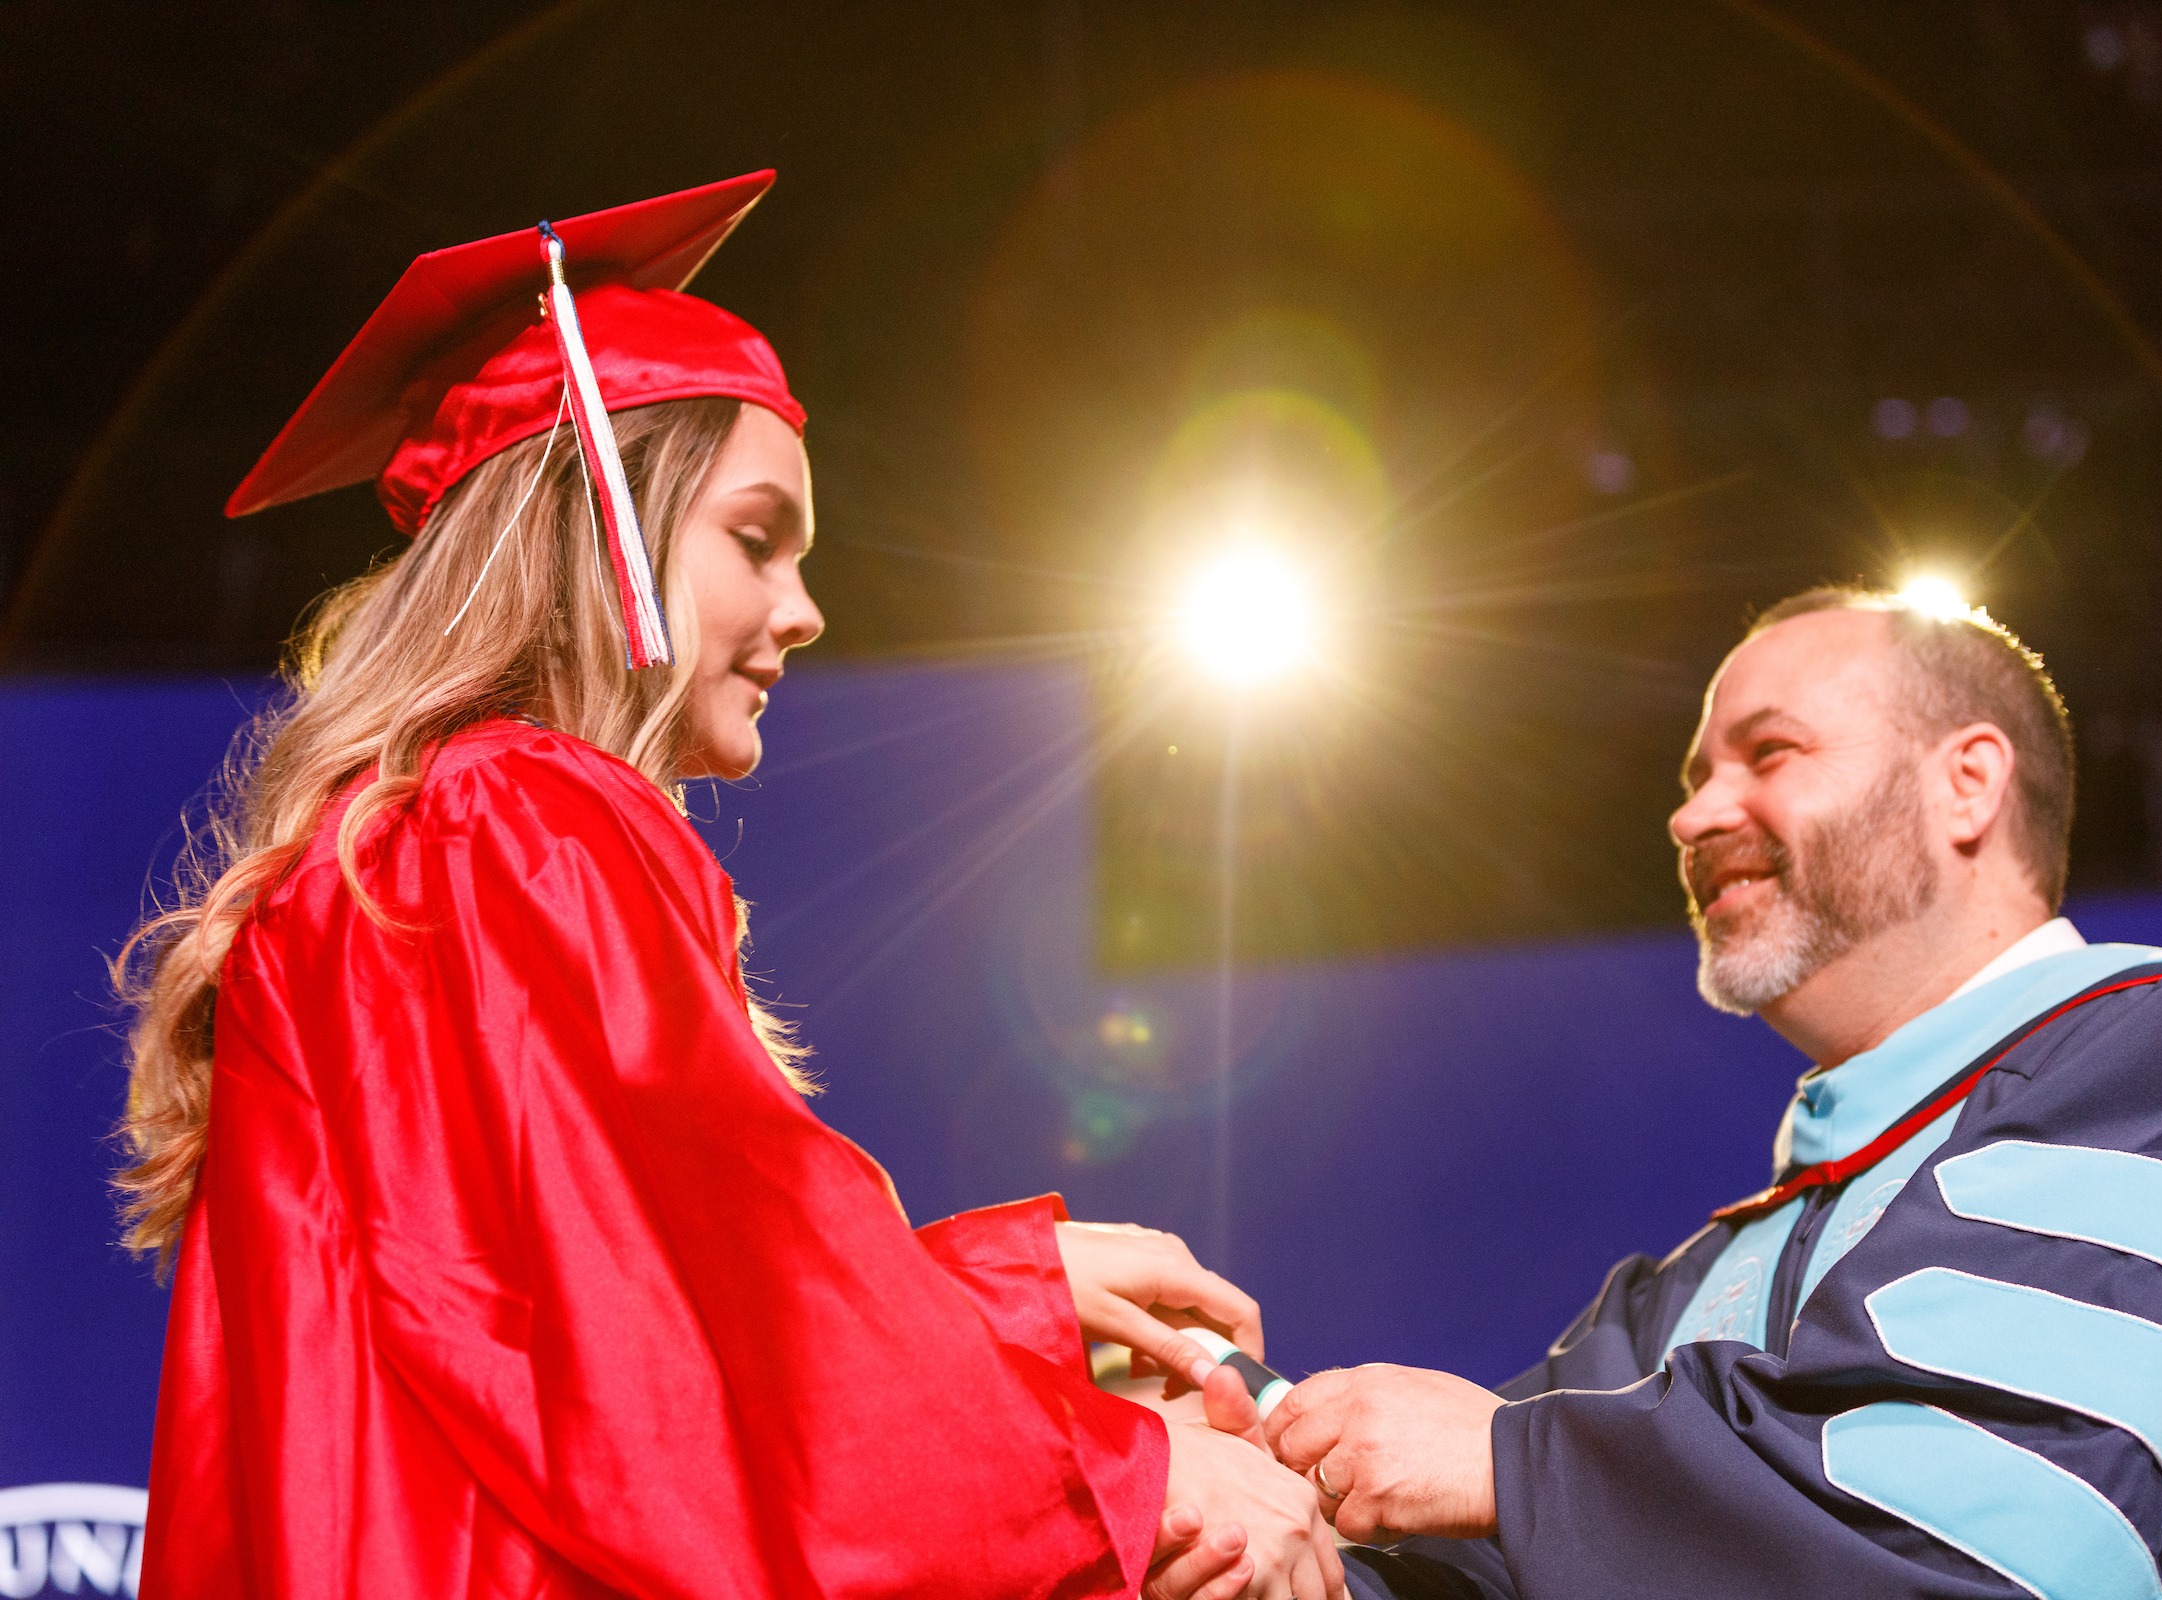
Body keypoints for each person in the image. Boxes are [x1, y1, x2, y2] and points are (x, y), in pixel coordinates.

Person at [115, 171, 1338, 1600]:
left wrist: (1015, 1291)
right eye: (756, 540)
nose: (802, 612)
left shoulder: (392, 851)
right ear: (598, 530)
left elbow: (573, 1322)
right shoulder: (517, 824)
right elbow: (667, 1424)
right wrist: (1130, 1473)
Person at [1242, 586, 2162, 1598]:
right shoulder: (1690, 1288)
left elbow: (1990, 1530)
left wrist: (1515, 1462)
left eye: (1770, 751)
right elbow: (1484, 1552)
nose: (1691, 815)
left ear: (1967, 784)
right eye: (1697, 778)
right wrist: (1232, 1458)